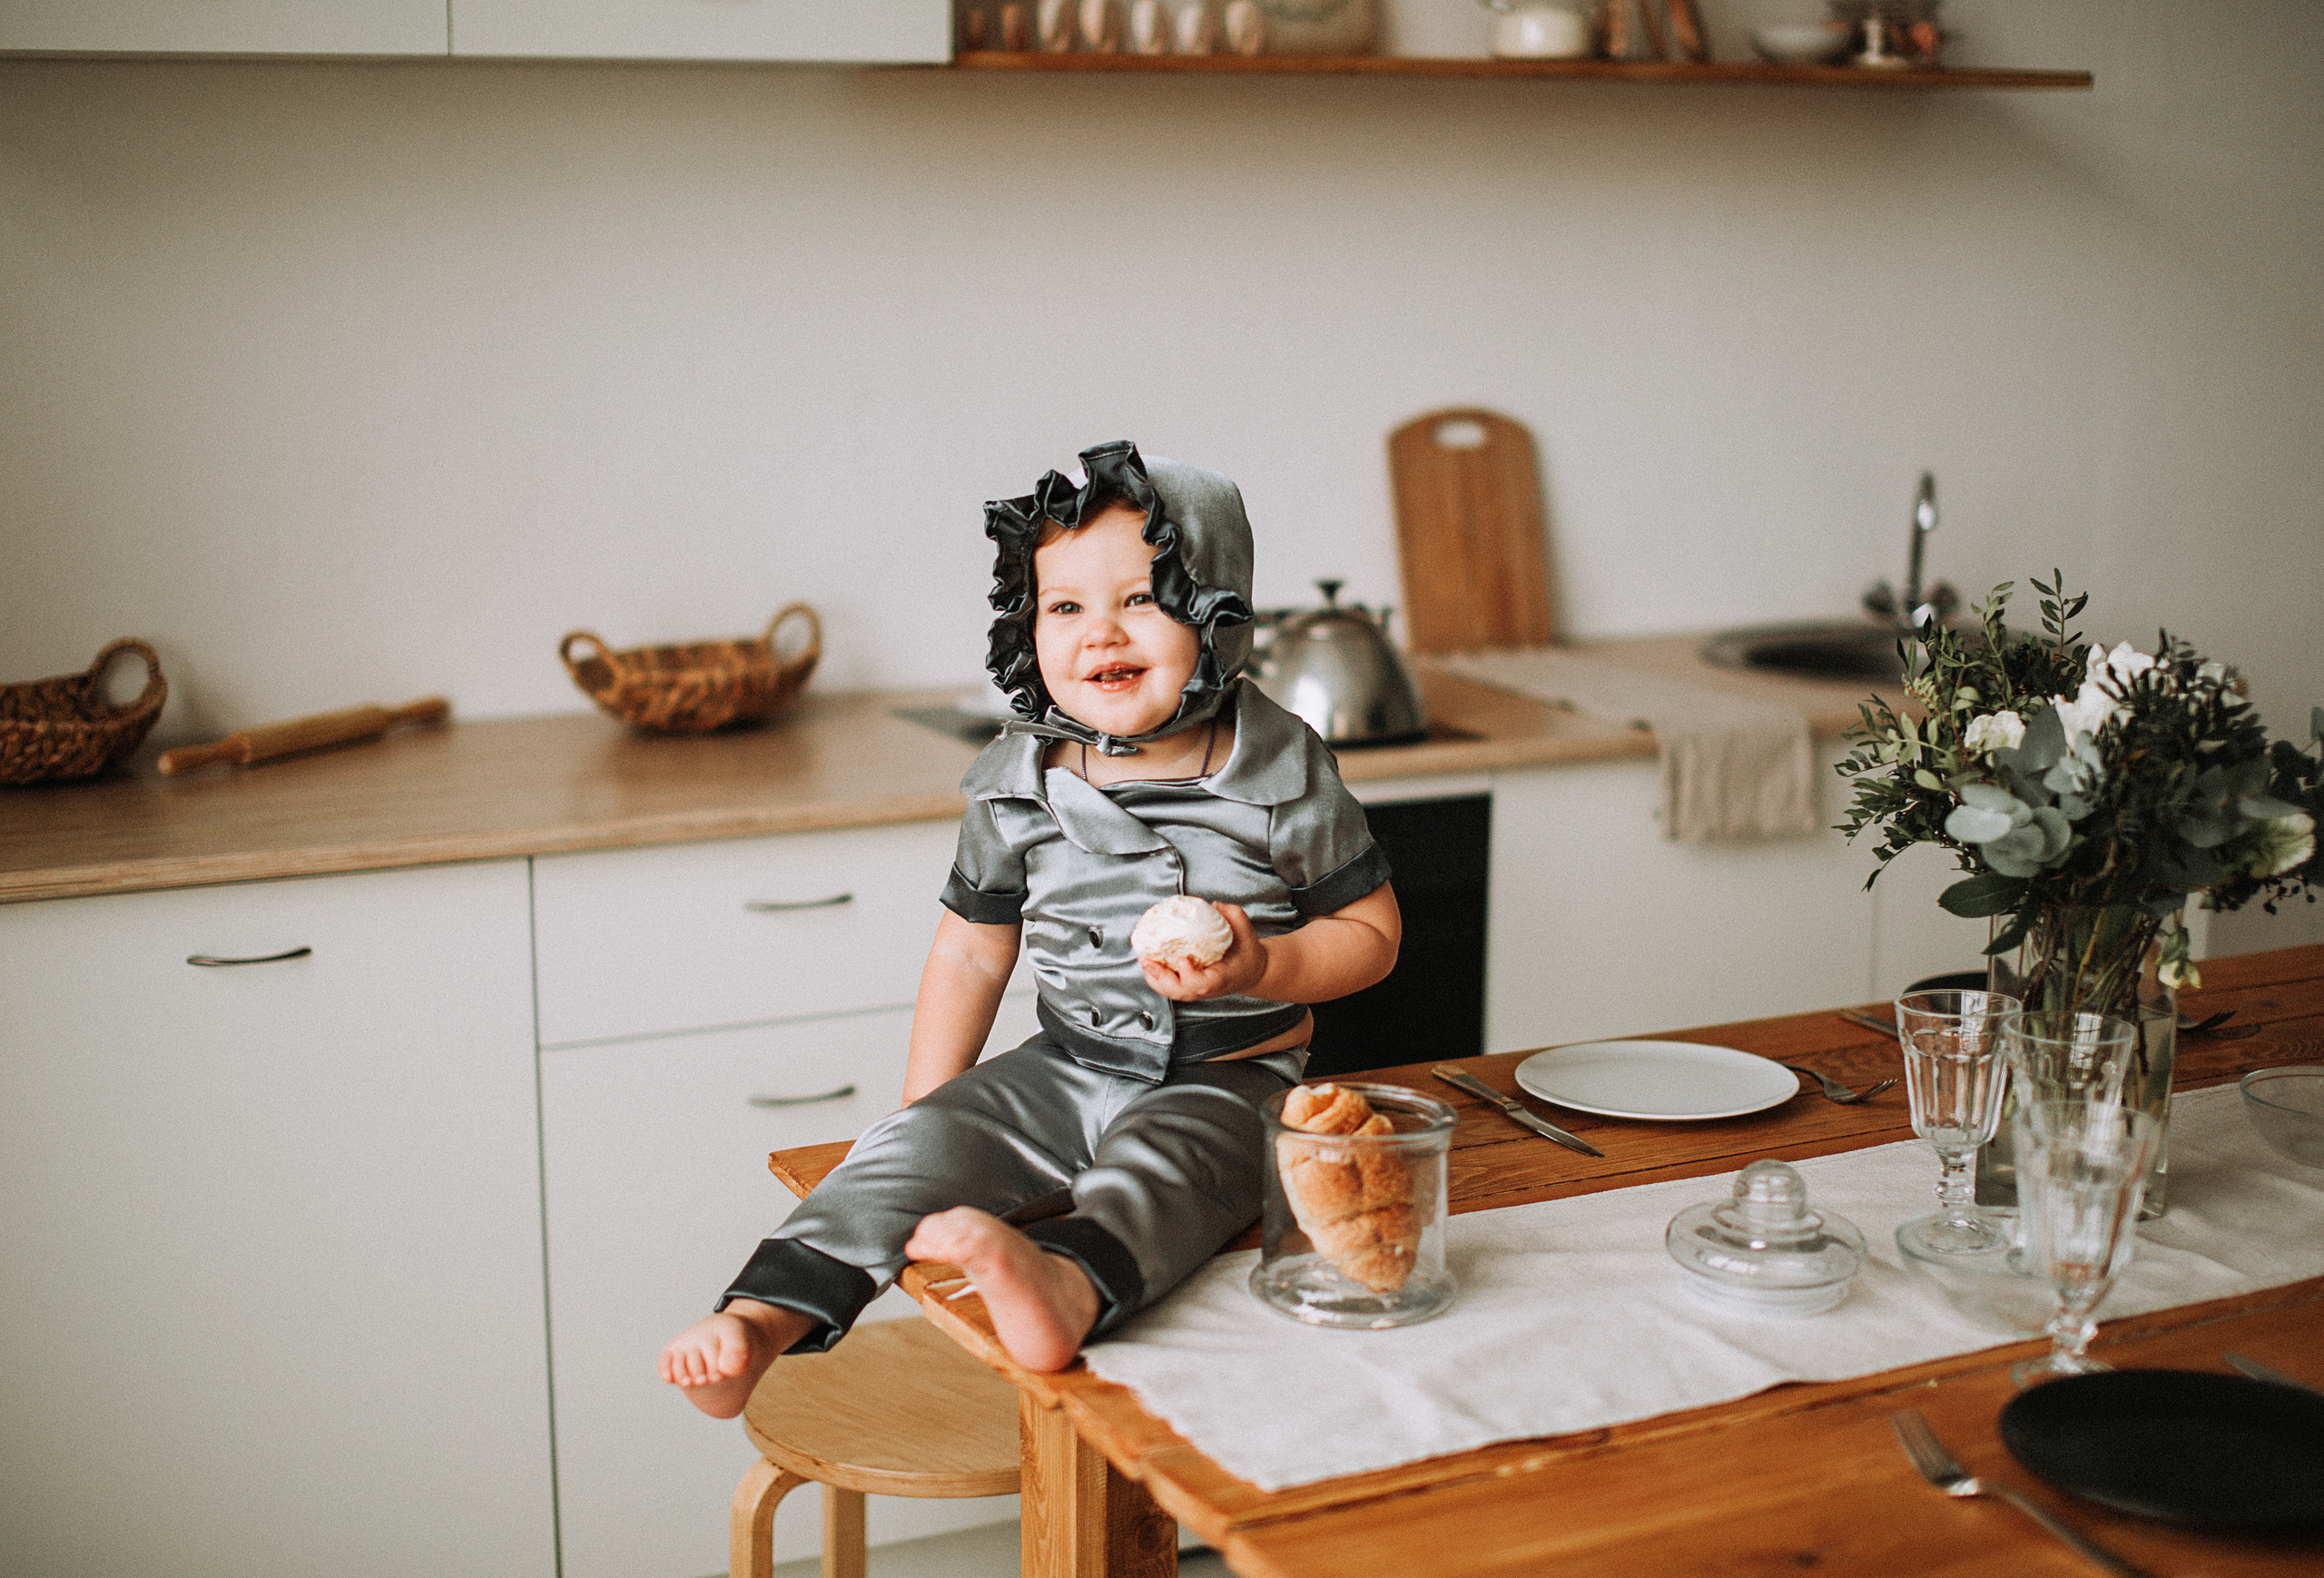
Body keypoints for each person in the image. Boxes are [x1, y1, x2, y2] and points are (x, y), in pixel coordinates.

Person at [661, 440, 1401, 1412]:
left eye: (1141, 598)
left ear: (1218, 609)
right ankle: (764, 1316)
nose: (1101, 633)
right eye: (1065, 608)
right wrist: (926, 1107)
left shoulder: (1279, 768)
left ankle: (1064, 1282)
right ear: (1027, 628)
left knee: (1165, 1176)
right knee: (892, 1159)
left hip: (1229, 1073)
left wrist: (1266, 962)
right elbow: (971, 948)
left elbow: (1372, 933)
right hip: (1060, 1062)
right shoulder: (1018, 781)